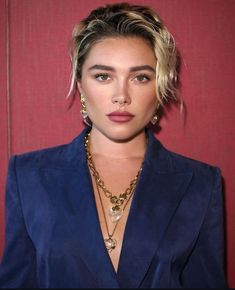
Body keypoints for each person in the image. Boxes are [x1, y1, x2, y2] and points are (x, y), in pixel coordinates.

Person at [0, 2, 227, 288]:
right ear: (81, 84)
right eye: (103, 76)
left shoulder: (201, 185)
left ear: (159, 88)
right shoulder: (28, 176)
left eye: (140, 77)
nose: (121, 95)